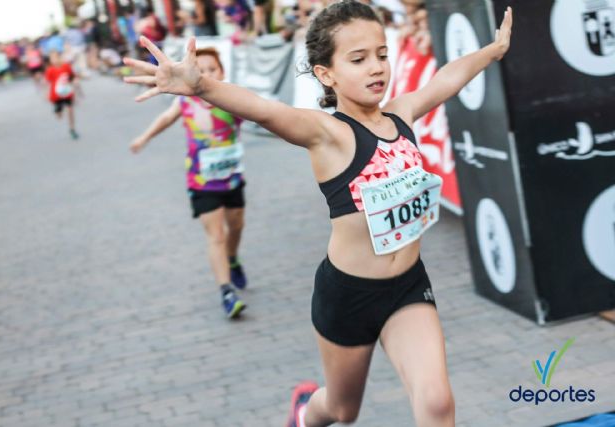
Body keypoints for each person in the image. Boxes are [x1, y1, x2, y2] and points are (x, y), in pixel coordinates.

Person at [123, 1, 512, 425]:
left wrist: (491, 51)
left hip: (408, 287)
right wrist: (202, 86)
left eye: (382, 54)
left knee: (437, 402)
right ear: (326, 74)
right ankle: (304, 414)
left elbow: (445, 80)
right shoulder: (327, 133)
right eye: (358, 59)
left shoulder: (401, 114)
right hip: (347, 295)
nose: (376, 67)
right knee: (342, 411)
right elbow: (266, 110)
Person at [129, 47, 249, 319]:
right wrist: (143, 138)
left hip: (232, 178)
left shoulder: (232, 100)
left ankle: (233, 259)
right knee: (216, 235)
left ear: (222, 72)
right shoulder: (185, 102)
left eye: (212, 69)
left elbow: (263, 114)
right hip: (201, 181)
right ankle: (226, 291)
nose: (205, 74)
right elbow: (164, 119)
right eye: (200, 69)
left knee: (237, 226)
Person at [45, 50, 79, 139]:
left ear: (60, 57)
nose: (55, 60)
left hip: (67, 93)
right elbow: (48, 83)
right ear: (50, 60)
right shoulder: (50, 70)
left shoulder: (66, 66)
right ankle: (58, 110)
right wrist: (46, 94)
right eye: (52, 58)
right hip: (56, 96)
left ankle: (72, 129)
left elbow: (72, 77)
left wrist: (75, 82)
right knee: (59, 115)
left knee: (70, 110)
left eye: (56, 57)